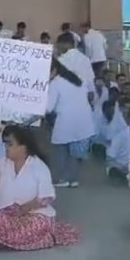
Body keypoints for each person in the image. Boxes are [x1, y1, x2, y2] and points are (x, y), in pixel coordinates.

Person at [0, 126, 79, 250]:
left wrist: (23, 210)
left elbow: (46, 198)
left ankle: (5, 241)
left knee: (37, 225)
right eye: (5, 144)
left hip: (32, 214)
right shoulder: (1, 163)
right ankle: (23, 241)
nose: (6, 148)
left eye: (10, 144)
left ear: (23, 147)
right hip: (3, 213)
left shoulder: (39, 167)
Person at [46, 59, 96, 188]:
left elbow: (48, 108)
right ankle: (74, 179)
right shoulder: (77, 77)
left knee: (62, 150)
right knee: (76, 152)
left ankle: (63, 179)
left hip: (66, 121)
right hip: (84, 119)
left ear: (54, 70)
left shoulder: (55, 84)